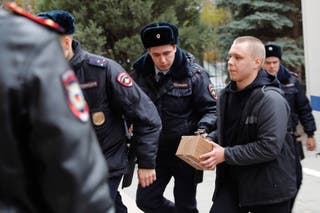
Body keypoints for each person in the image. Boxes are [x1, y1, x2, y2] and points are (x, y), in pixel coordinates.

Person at [37, 10, 162, 213]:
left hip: (105, 163)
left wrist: (147, 162)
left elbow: (147, 117)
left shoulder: (103, 71)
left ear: (66, 43)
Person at [0, 2, 114, 213]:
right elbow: (75, 175)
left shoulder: (103, 69)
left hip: (110, 159)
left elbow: (144, 112)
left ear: (67, 40)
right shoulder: (23, 43)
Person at [200, 36, 297, 213]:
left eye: (238, 58)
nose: (230, 62)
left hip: (268, 191)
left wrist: (225, 154)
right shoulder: (226, 95)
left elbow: (269, 147)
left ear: (256, 62)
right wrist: (209, 142)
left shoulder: (271, 99)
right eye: (230, 56)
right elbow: (227, 132)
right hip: (232, 186)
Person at [131, 21, 217, 213]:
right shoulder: (138, 75)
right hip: (154, 151)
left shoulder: (194, 74)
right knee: (145, 200)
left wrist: (202, 130)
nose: (162, 60)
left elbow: (212, 109)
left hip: (185, 150)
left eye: (167, 53)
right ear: (148, 52)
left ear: (174, 47)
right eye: (156, 55)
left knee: (185, 205)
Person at [263, 43, 317, 210]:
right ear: (262, 62)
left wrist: (310, 133)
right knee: (272, 180)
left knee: (296, 178)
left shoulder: (291, 81)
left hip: (290, 139)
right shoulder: (258, 82)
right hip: (268, 139)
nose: (272, 66)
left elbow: (304, 109)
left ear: (279, 62)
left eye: (275, 62)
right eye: (268, 62)